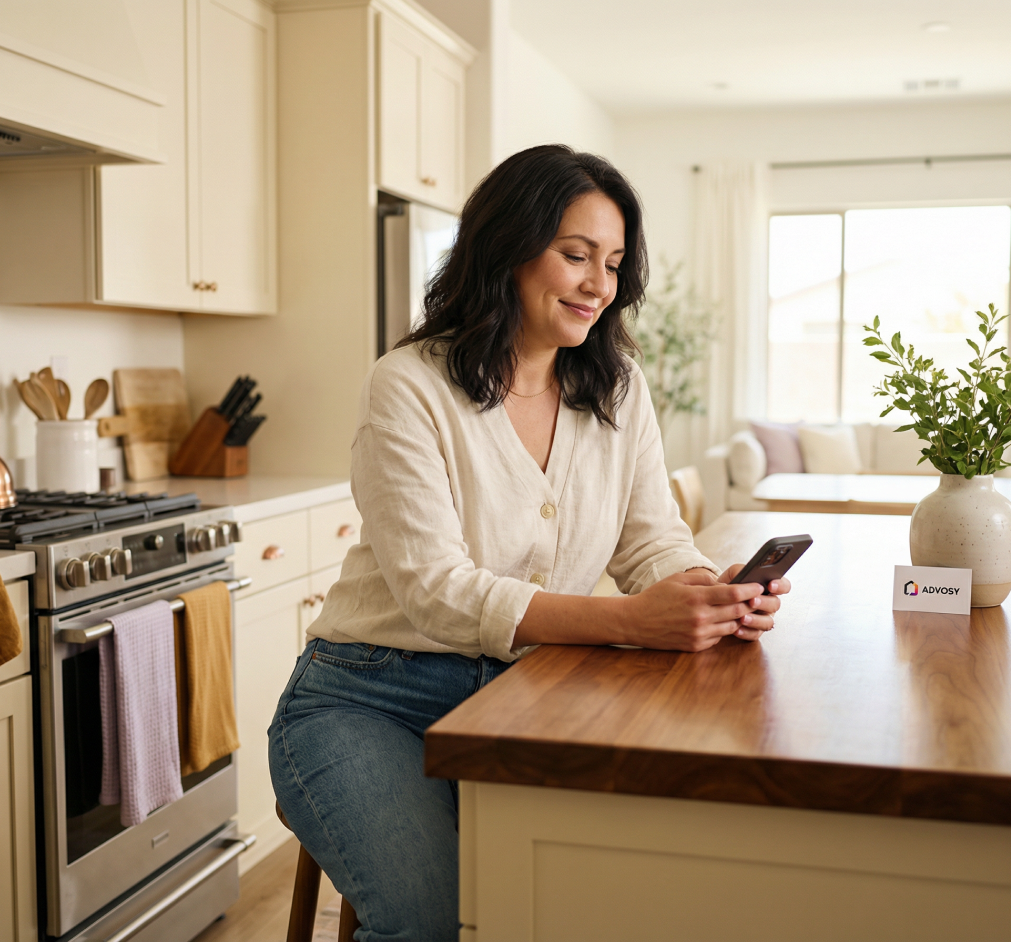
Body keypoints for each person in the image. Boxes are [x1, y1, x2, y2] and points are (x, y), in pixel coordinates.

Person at [268, 144, 791, 941]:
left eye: (613, 264)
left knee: (605, 891)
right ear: (506, 248)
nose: (598, 285)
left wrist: (705, 595)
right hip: (370, 698)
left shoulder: (616, 387)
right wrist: (629, 621)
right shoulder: (408, 386)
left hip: (534, 691)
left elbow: (653, 541)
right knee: (431, 919)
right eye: (575, 255)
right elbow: (438, 590)